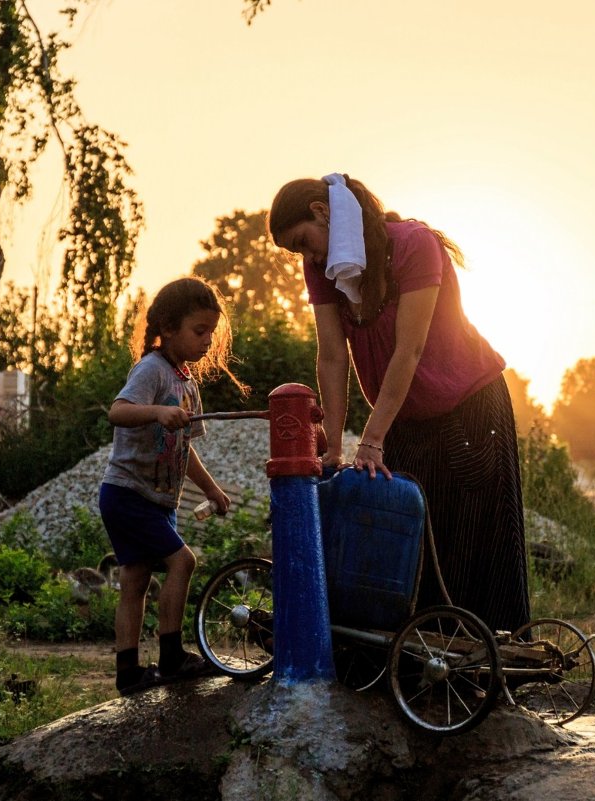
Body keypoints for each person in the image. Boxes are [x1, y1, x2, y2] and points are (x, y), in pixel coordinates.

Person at [267, 173, 531, 633]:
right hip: (405, 415)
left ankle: (485, 662)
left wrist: (370, 439)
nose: (306, 257)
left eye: (304, 243)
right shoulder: (324, 270)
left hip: (469, 406)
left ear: (322, 212)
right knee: (405, 533)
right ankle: (418, 662)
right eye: (298, 253)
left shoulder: (412, 244)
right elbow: (331, 356)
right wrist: (329, 444)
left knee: (470, 541)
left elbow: (409, 351)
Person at [99, 276, 246, 695]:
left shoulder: (187, 384)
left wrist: (213, 490)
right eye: (199, 332)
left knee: (136, 578)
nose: (206, 341)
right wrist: (155, 414)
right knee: (183, 562)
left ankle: (128, 672)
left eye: (210, 334)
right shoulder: (151, 370)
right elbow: (118, 411)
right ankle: (171, 657)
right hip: (128, 493)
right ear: (168, 327)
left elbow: (187, 452)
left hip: (157, 498)